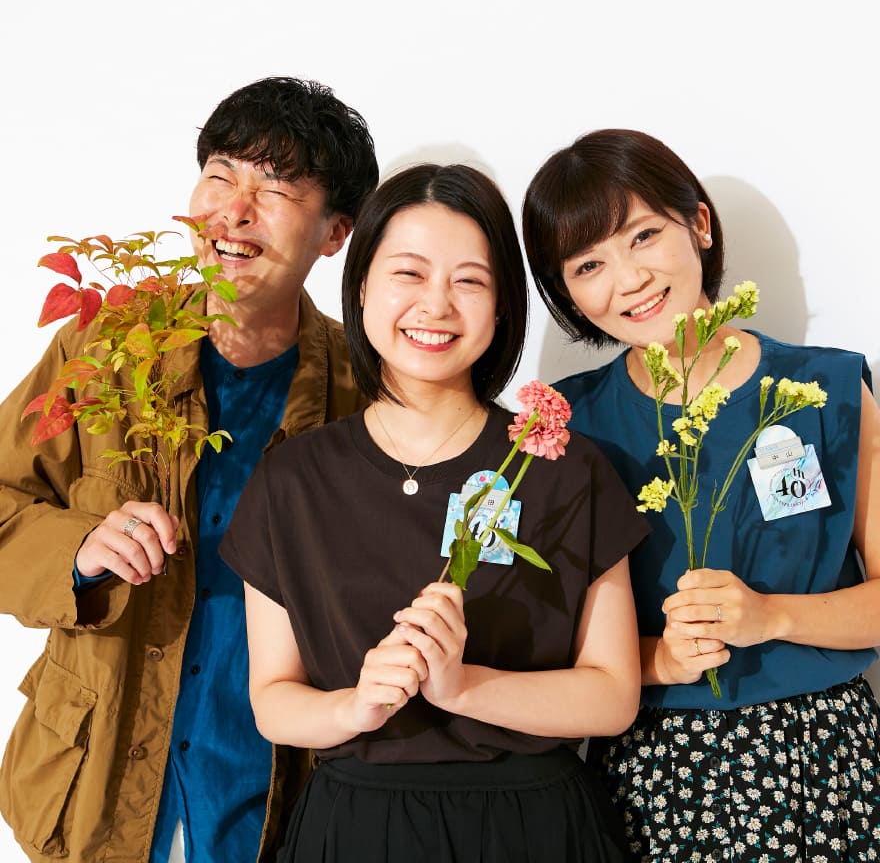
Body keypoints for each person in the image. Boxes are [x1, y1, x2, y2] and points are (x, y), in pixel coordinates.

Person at [219, 163, 648, 862]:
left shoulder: (562, 468)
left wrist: (464, 686)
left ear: (502, 306)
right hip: (355, 830)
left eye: (469, 281)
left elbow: (612, 696)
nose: (436, 305)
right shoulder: (291, 479)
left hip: (533, 829)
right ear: (362, 287)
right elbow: (272, 700)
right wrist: (354, 706)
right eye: (409, 274)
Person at [0, 76, 379, 863]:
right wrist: (77, 549)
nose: (234, 211)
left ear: (335, 232)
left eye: (274, 188)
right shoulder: (106, 349)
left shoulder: (363, 389)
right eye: (220, 175)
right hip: (93, 788)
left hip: (271, 799)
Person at [521, 128, 880, 862]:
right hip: (654, 775)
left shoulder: (830, 388)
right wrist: (656, 658)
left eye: (643, 235)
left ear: (700, 225)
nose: (629, 278)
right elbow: (537, 641)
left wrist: (771, 615)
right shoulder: (567, 426)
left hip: (825, 760)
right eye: (589, 263)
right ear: (567, 293)